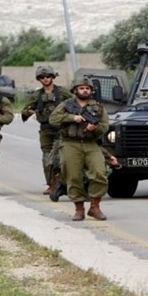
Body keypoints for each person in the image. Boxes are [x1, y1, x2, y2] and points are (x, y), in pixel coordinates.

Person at [49, 78, 109, 221]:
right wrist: (72, 118)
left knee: (100, 173)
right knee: (73, 176)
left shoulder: (98, 107)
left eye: (87, 88)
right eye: (81, 88)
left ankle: (94, 207)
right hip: (71, 144)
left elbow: (105, 125)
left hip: (91, 144)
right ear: (75, 90)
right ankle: (79, 209)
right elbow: (53, 119)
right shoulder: (66, 105)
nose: (85, 90)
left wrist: (94, 128)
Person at [22, 66, 71, 194]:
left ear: (52, 77)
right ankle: (51, 184)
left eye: (48, 77)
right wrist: (28, 112)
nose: (45, 79)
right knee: (46, 159)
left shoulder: (62, 92)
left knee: (59, 159)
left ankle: (62, 184)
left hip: (62, 129)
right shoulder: (36, 95)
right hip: (45, 130)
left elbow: (74, 104)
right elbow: (25, 110)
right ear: (39, 79)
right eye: (42, 77)